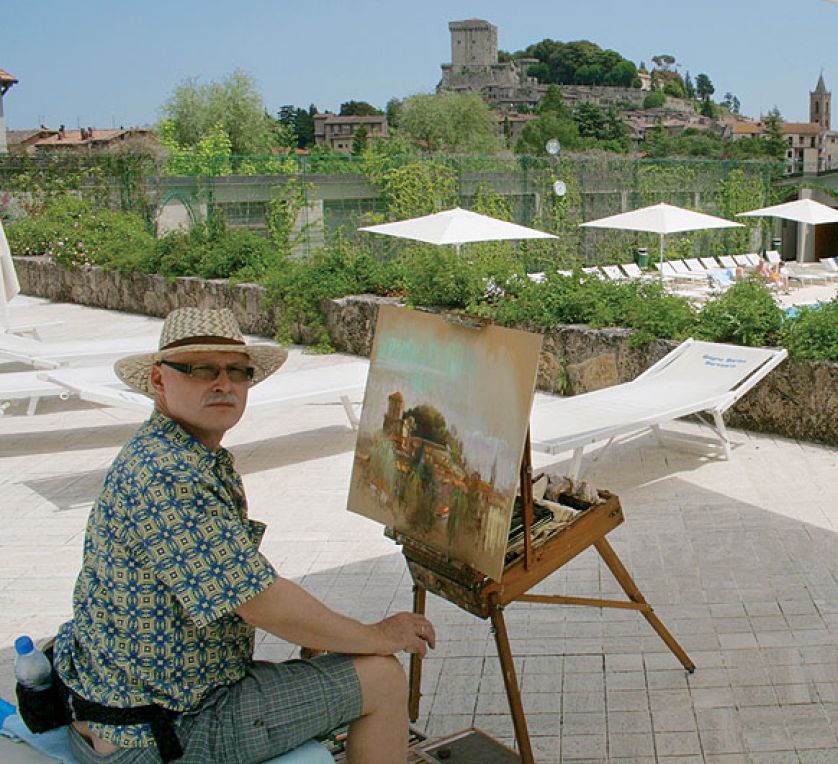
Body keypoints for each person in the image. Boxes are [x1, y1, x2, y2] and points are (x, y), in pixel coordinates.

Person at [51, 307, 435, 764]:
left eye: (237, 371)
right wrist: (374, 635)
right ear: (158, 381)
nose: (224, 384)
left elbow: (239, 579)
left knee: (341, 662)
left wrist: (331, 631)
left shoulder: (180, 451)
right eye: (201, 370)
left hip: (144, 705)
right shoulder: (168, 475)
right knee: (382, 677)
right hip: (161, 731)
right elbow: (258, 601)